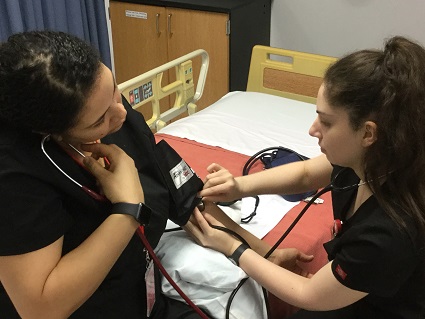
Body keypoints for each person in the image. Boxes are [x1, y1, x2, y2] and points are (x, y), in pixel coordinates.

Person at [0, 30, 311, 319]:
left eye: (114, 90)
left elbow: (185, 200)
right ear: (50, 132)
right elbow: (39, 307)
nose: (121, 113)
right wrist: (128, 210)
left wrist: (266, 253)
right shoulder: (15, 179)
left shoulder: (117, 117)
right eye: (99, 121)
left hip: (143, 296)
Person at [184, 36, 425, 319]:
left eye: (326, 121)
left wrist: (232, 247)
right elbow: (306, 173)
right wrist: (239, 186)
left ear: (368, 134)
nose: (312, 130)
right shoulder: (376, 159)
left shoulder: (389, 231)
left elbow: (306, 295)